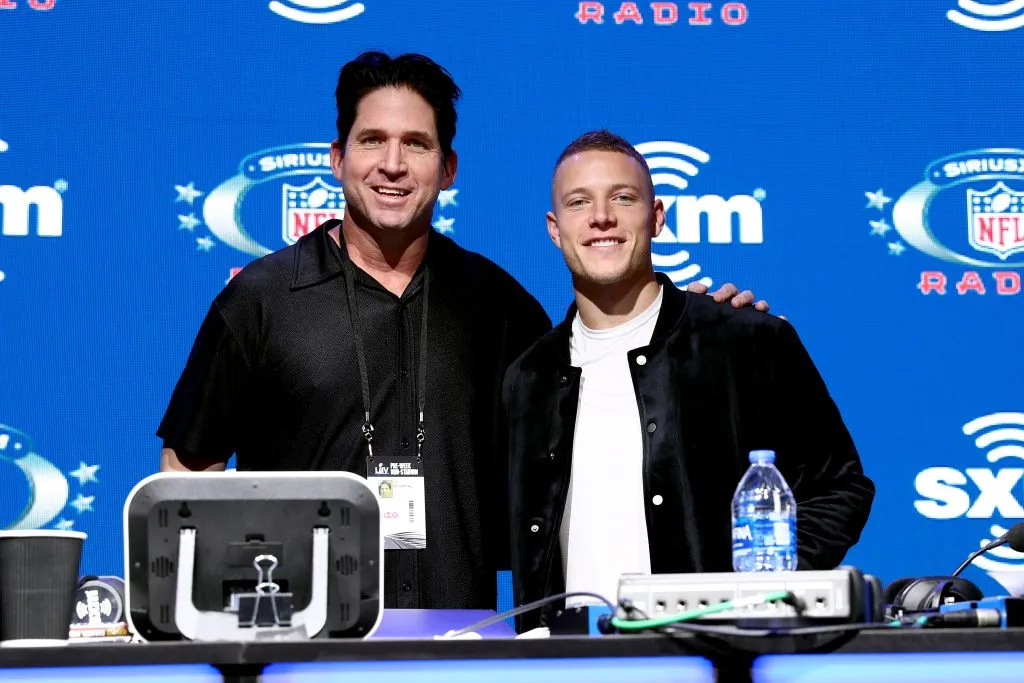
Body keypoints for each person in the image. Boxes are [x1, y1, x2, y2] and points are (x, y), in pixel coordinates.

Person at [157, 52, 768, 610]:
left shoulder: (498, 304)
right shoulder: (261, 299)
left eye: (417, 145)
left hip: (459, 644)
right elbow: (188, 472)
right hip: (300, 645)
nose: (393, 165)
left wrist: (693, 329)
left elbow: (600, 408)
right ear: (338, 158)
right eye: (373, 140)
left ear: (447, 168)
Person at [503, 130, 875, 631]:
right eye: (579, 202)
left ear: (656, 217)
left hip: (711, 656)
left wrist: (762, 598)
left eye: (623, 198)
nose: (601, 218)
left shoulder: (747, 341)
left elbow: (839, 487)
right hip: (566, 663)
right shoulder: (528, 377)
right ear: (555, 227)